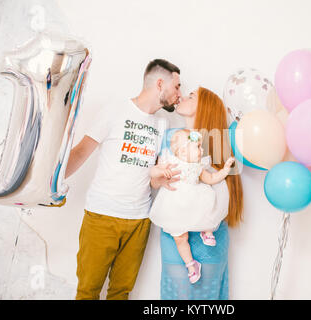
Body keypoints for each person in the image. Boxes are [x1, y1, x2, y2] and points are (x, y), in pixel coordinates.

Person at [65, 59, 182, 300]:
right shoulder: (114, 110)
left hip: (139, 221)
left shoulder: (163, 124)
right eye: (177, 86)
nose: (178, 93)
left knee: (121, 293)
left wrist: (161, 179)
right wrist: (46, 183)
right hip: (101, 217)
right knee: (88, 291)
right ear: (160, 83)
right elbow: (79, 153)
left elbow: (151, 177)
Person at [152, 87, 244, 299]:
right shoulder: (168, 137)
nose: (183, 95)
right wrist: (157, 179)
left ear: (204, 107)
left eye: (191, 95)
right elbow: (156, 183)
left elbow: (221, 193)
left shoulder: (218, 140)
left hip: (207, 241)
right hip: (175, 236)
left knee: (205, 298)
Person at [149, 129, 235, 284]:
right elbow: (153, 171)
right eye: (198, 147)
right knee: (180, 238)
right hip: (175, 204)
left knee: (207, 201)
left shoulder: (199, 166)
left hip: (194, 200)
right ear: (183, 152)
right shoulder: (170, 160)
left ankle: (206, 231)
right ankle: (191, 265)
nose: (202, 150)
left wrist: (225, 170)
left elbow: (211, 179)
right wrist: (161, 171)